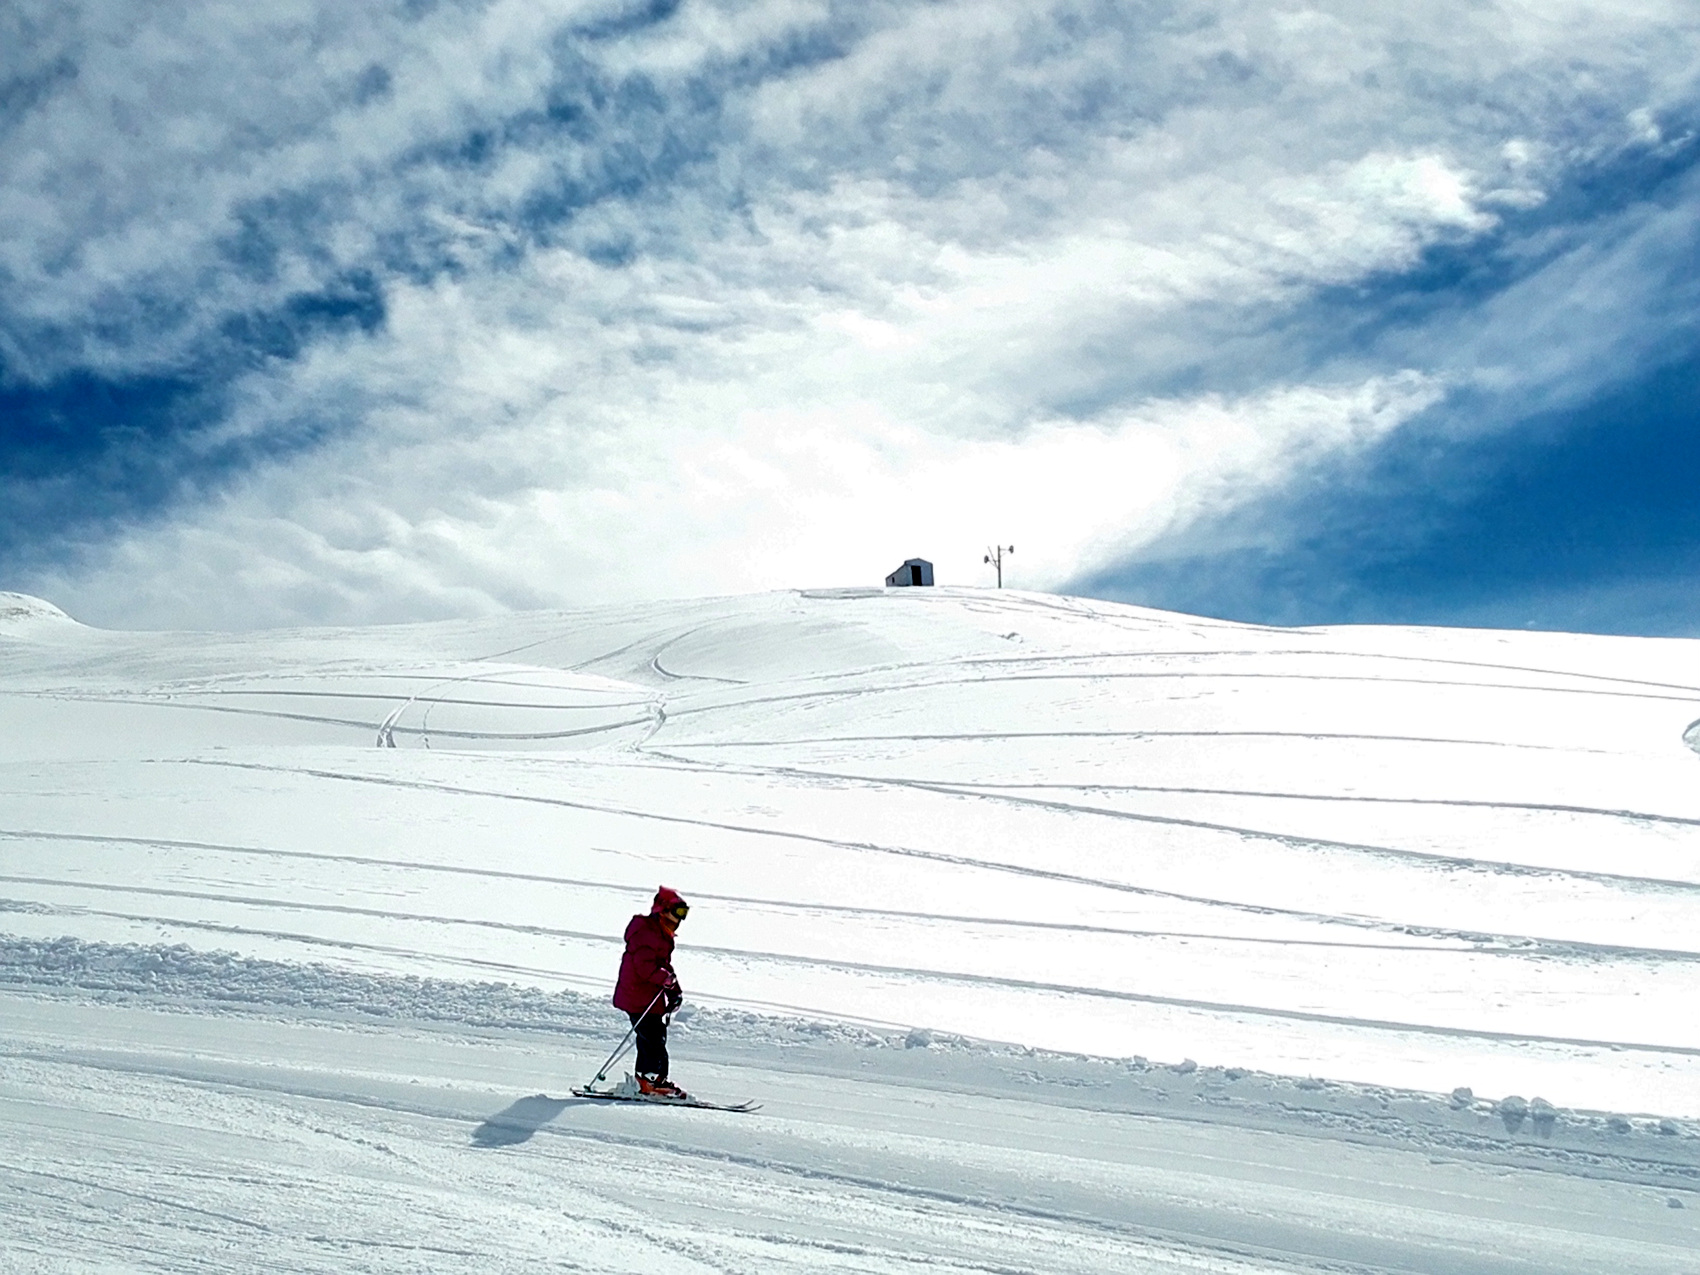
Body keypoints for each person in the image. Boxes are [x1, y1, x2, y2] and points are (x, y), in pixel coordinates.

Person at [612, 886, 689, 1097]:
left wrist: (674, 990)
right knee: (652, 1039)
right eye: (678, 912)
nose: (680, 919)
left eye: (684, 913)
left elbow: (663, 966)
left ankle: (651, 1080)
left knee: (653, 1038)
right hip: (637, 996)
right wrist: (665, 980)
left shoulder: (661, 934)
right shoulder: (647, 933)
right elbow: (644, 966)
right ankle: (651, 1081)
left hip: (648, 997)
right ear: (661, 910)